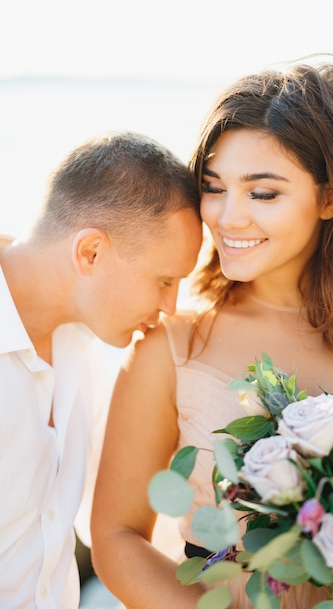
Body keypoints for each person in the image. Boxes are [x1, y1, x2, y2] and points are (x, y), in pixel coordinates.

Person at [90, 57, 333, 609]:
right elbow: (117, 538)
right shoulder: (171, 349)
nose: (227, 217)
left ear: (331, 197)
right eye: (213, 187)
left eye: (262, 194)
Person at [0, 130, 202, 609]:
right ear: (90, 252)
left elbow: (114, 518)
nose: (171, 307)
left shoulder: (82, 351)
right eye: (165, 280)